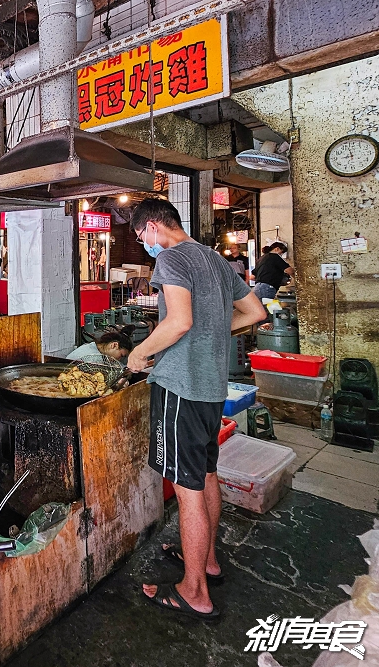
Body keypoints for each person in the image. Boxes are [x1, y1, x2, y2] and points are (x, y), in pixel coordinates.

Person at [125, 199, 265, 622]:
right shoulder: (214, 259)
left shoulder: (170, 258)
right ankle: (206, 561)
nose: (143, 245)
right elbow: (255, 312)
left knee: (186, 490)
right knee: (205, 476)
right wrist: (213, 329)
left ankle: (195, 592)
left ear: (152, 227)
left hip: (180, 387)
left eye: (140, 237)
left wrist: (139, 354)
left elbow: (178, 322)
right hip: (210, 388)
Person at [67, 326, 134, 364]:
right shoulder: (94, 358)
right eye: (121, 355)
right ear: (114, 345)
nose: (119, 359)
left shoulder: (92, 346)